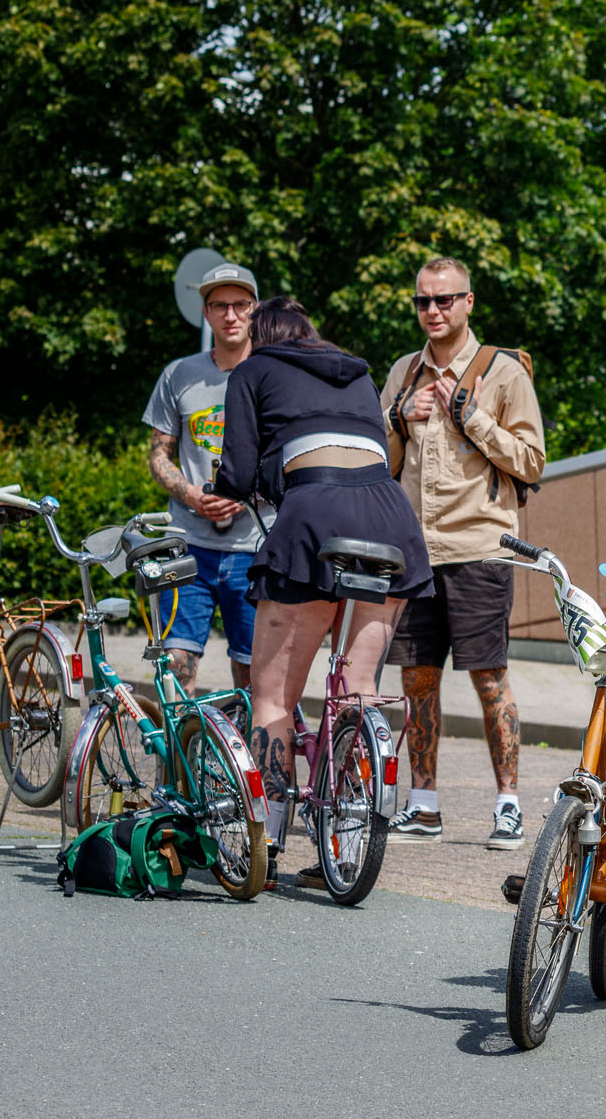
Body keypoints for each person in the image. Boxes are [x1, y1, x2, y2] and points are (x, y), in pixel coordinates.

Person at [212, 296, 433, 888]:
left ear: (262, 335)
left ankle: (266, 843)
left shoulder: (252, 370)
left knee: (273, 700)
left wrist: (232, 485)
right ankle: (348, 839)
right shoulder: (357, 373)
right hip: (391, 519)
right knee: (358, 690)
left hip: (313, 515)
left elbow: (237, 472)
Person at [379, 257, 546, 850]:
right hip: (415, 552)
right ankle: (424, 806)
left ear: (468, 302)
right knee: (418, 681)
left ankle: (508, 806)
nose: (433, 311)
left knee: (489, 679)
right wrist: (397, 416)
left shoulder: (503, 372)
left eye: (444, 299)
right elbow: (379, 464)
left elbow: (531, 463)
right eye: (423, 301)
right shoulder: (403, 371)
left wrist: (472, 418)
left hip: (479, 549)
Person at [142, 262, 273, 692]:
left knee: (253, 672)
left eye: (240, 304)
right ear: (206, 312)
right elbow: (158, 456)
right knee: (175, 665)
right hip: (188, 545)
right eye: (220, 305)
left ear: (255, 310)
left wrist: (245, 495)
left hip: (254, 546)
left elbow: (289, 458)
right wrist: (191, 494)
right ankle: (180, 740)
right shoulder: (179, 374)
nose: (230, 315)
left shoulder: (274, 374)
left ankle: (249, 739)